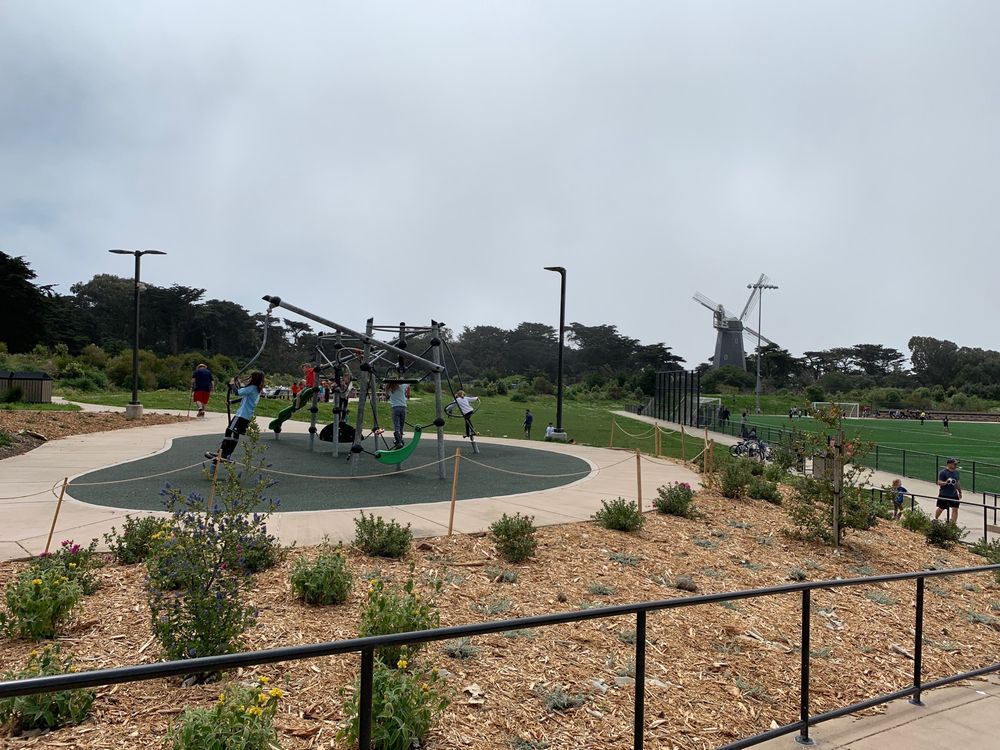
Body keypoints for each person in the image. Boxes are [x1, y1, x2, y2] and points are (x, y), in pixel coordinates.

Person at [206, 371, 265, 463]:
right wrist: (231, 402)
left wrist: (233, 384)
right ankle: (226, 454)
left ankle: (224, 454)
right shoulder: (256, 389)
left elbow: (237, 392)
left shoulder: (252, 388)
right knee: (235, 433)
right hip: (246, 416)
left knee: (229, 431)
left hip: (242, 415)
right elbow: (243, 397)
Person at [935, 457, 962, 524]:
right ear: (949, 464)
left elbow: (957, 483)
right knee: (941, 508)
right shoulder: (943, 472)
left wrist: (960, 492)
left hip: (954, 494)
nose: (956, 465)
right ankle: (936, 519)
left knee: (955, 509)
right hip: (944, 494)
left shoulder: (956, 473)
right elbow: (938, 482)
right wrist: (946, 482)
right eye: (954, 464)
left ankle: (953, 524)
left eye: (956, 464)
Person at [386, 382, 408, 449]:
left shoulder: (389, 390)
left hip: (395, 408)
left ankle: (399, 441)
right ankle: (399, 440)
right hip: (403, 408)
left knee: (397, 425)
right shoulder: (401, 387)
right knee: (401, 425)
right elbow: (408, 383)